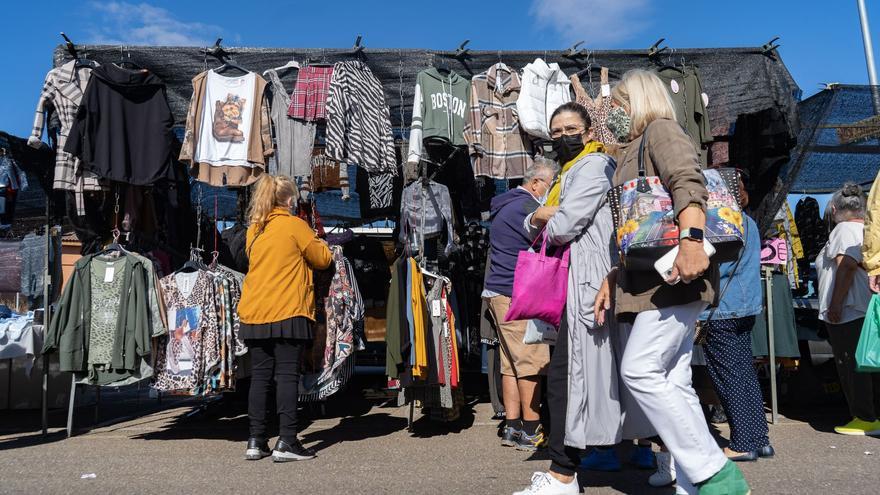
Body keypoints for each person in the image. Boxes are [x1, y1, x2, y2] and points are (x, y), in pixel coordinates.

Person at [594, 69, 750, 494]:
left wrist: (692, 241)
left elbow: (688, 181)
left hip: (676, 272)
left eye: (622, 104)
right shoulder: (630, 147)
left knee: (640, 369)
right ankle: (693, 484)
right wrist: (614, 274)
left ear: (640, 100)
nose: (617, 113)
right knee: (675, 380)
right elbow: (634, 224)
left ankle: (715, 473)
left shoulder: (661, 130)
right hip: (653, 277)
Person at [514, 102, 624, 495]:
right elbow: (538, 221)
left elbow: (561, 226)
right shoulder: (570, 171)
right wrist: (542, 215)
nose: (563, 137)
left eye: (571, 128)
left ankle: (564, 473)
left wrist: (542, 215)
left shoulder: (595, 168)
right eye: (556, 131)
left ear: (589, 130)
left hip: (589, 283)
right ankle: (583, 463)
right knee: (575, 376)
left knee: (570, 378)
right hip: (576, 283)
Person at [237, 174, 332, 462]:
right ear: (289, 200)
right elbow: (323, 258)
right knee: (287, 377)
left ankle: (256, 440)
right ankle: (287, 441)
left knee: (260, 378)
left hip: (254, 312)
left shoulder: (255, 230)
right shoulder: (295, 226)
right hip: (288, 310)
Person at [698, 173, 774, 461]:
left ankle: (743, 442)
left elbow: (717, 267)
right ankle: (758, 437)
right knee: (743, 373)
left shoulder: (718, 221)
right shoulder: (746, 219)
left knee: (728, 375)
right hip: (745, 306)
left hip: (722, 309)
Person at [483, 159, 558, 452]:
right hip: (514, 293)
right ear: (536, 183)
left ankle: (513, 427)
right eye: (551, 186)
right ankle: (531, 429)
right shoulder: (524, 205)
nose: (551, 192)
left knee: (511, 362)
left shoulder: (506, 203)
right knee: (529, 361)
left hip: (498, 292)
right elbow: (543, 214)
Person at [817, 183, 880, 435]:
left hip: (849, 311)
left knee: (851, 364)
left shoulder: (844, 229)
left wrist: (835, 303)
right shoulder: (865, 230)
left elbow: (846, 266)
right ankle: (871, 415)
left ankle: (864, 416)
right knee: (868, 362)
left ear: (833, 209)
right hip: (862, 307)